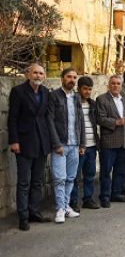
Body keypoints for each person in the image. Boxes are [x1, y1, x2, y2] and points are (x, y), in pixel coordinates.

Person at [8, 63, 53, 231]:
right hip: (24, 143)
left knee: (37, 181)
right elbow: (12, 118)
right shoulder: (18, 92)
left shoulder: (45, 92)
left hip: (42, 142)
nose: (38, 76)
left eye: (41, 73)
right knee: (24, 182)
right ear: (28, 74)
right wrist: (14, 141)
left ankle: (34, 211)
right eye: (35, 73)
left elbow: (46, 117)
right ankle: (23, 216)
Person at [48, 67, 85, 223]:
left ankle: (66, 205)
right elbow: (49, 121)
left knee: (71, 177)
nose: (72, 80)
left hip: (74, 144)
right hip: (61, 145)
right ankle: (60, 209)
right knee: (59, 178)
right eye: (69, 77)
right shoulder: (54, 96)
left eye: (74, 77)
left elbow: (80, 120)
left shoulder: (76, 97)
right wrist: (56, 144)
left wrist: (82, 143)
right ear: (62, 78)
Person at [96, 75, 125, 207]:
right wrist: (116, 122)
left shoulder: (123, 100)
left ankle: (116, 193)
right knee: (106, 171)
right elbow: (100, 119)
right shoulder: (102, 99)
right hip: (109, 142)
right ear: (108, 85)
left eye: (118, 84)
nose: (116, 86)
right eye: (113, 83)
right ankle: (105, 196)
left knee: (120, 170)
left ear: (121, 86)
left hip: (122, 142)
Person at [70, 76, 101, 211]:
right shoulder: (72, 102)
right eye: (85, 89)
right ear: (79, 89)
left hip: (92, 145)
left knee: (90, 174)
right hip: (78, 146)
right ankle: (73, 201)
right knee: (75, 176)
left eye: (90, 89)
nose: (87, 92)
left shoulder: (93, 104)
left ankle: (88, 199)